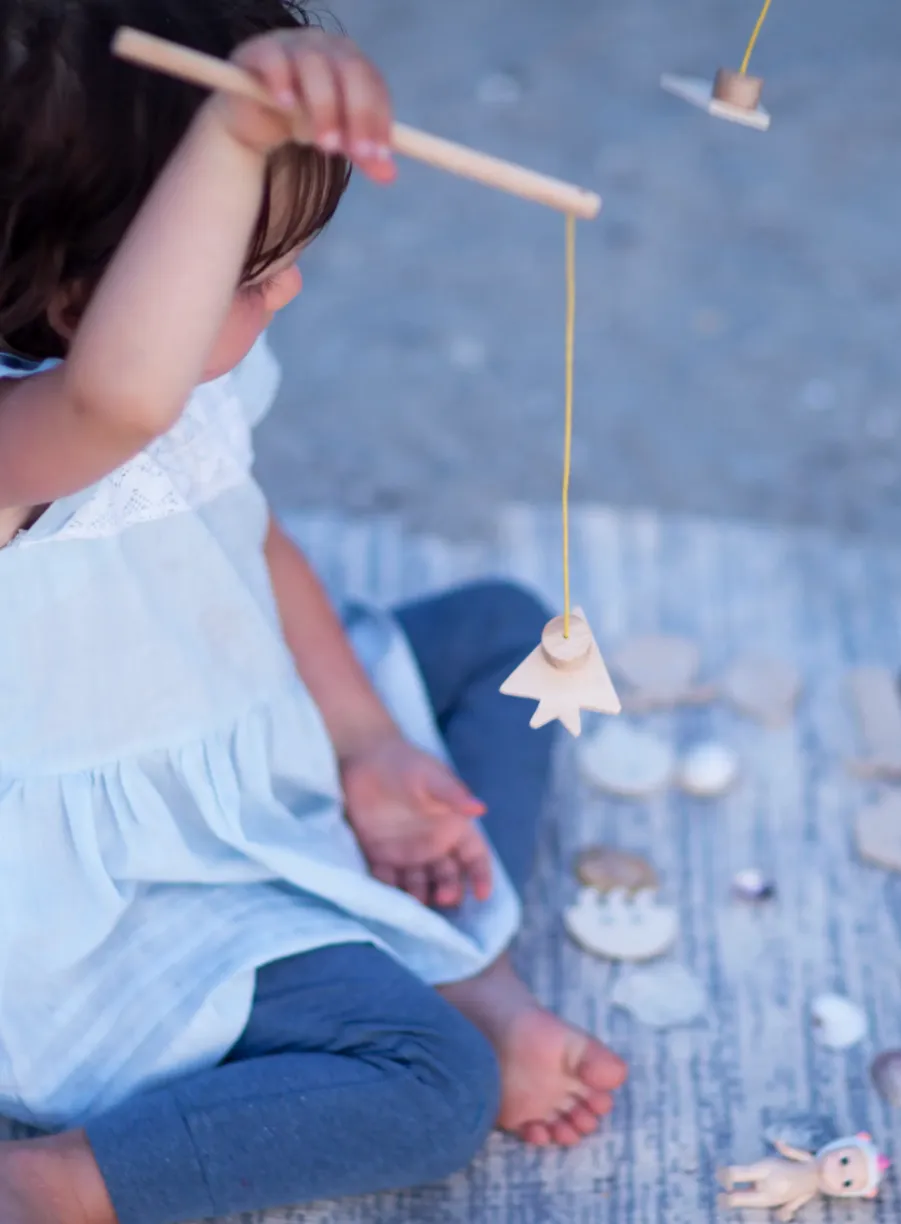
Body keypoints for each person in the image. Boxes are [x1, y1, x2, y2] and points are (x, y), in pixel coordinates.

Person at [0, 3, 627, 1222]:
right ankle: (56, 1183)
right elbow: (122, 399)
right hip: (115, 885)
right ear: (90, 303)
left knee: (513, 635)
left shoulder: (171, 385)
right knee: (430, 1089)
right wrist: (234, 137)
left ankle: (453, 958)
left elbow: (248, 538)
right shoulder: (29, 441)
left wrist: (364, 743)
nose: (287, 291)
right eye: (246, 263)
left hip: (253, 735)